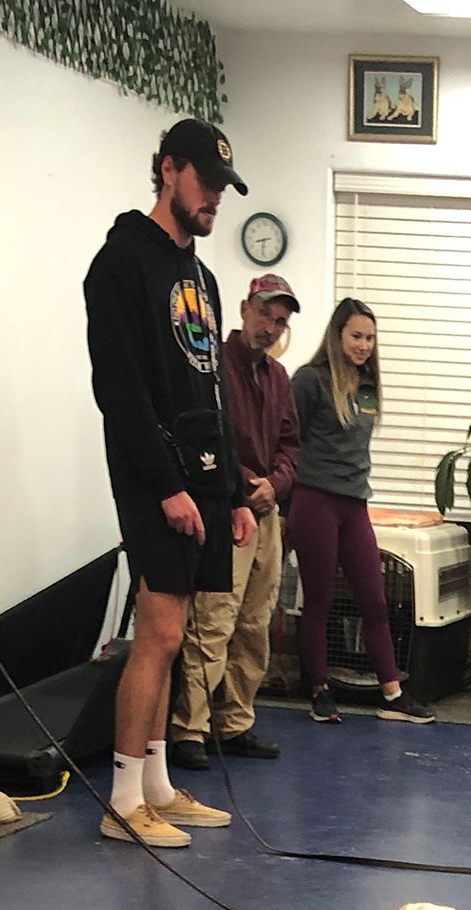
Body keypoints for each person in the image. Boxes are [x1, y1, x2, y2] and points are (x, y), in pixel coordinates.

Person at [83, 119, 258, 846]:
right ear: (168, 170)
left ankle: (157, 783)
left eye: (223, 188)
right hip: (155, 479)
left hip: (205, 479)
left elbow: (210, 389)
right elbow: (119, 390)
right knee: (156, 634)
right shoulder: (122, 261)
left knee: (176, 632)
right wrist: (165, 488)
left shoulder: (201, 276)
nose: (215, 198)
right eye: (206, 183)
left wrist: (238, 493)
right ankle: (123, 800)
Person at [172, 274, 301, 770]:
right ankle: (190, 729)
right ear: (245, 308)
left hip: (267, 514)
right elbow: (209, 439)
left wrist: (277, 483)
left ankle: (235, 722)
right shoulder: (211, 368)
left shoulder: (279, 378)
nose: (272, 326)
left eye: (281, 320)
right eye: (266, 313)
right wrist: (247, 483)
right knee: (214, 621)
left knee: (254, 623)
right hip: (226, 511)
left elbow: (291, 444)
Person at [288, 301, 434, 726]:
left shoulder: (369, 386)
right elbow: (287, 442)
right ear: (337, 337)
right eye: (356, 336)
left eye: (370, 338)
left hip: (354, 505)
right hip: (314, 500)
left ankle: (392, 693)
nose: (364, 346)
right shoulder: (310, 381)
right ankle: (319, 689)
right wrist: (284, 508)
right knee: (319, 600)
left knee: (374, 600)